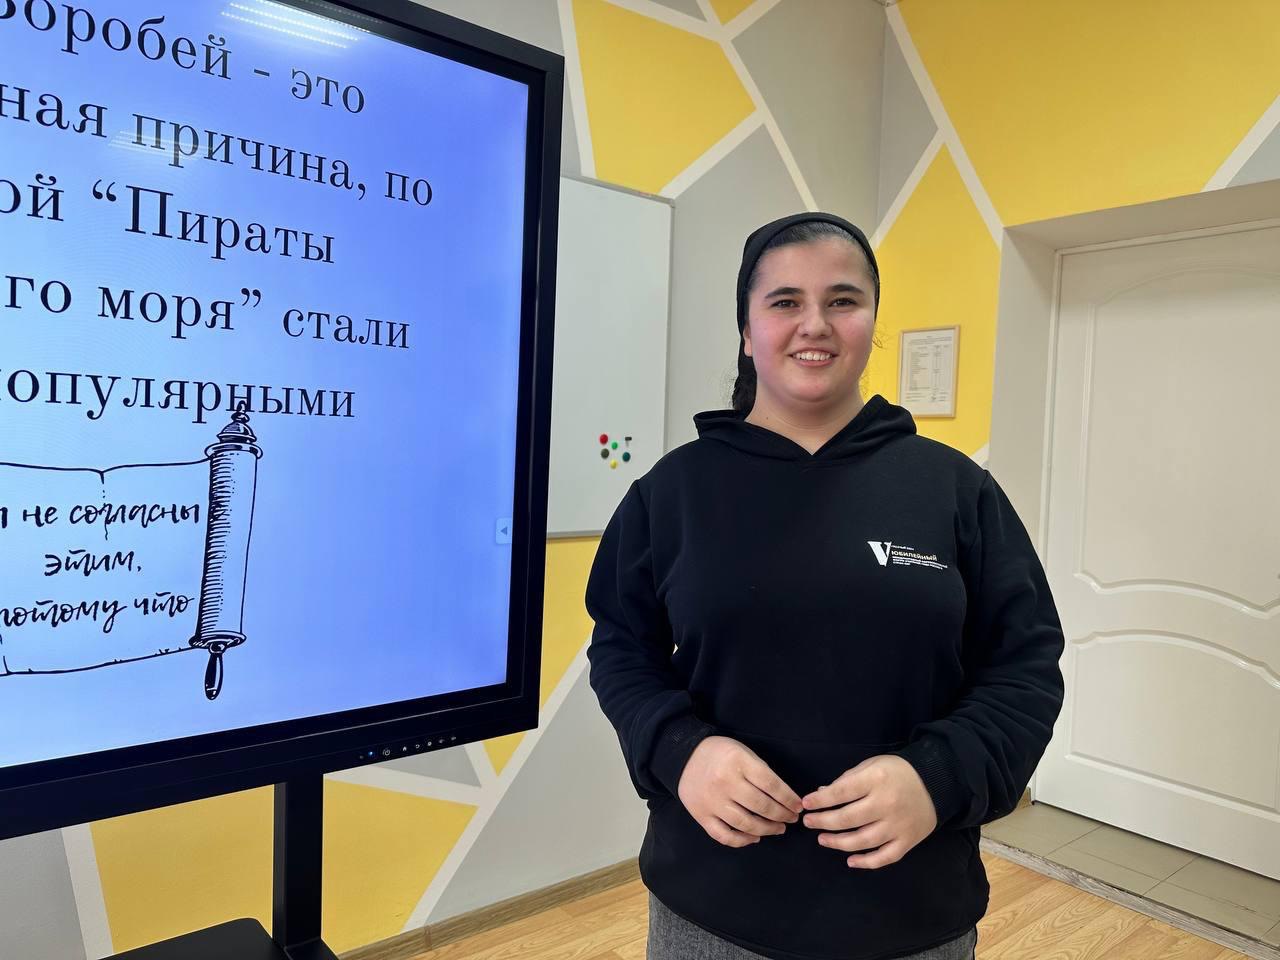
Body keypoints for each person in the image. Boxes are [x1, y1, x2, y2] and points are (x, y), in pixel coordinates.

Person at [584, 212, 1066, 960]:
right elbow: (621, 651)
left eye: (843, 300)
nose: (815, 323)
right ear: (747, 330)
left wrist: (938, 777)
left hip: (910, 912)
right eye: (785, 302)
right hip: (712, 910)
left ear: (872, 322)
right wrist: (681, 751)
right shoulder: (670, 494)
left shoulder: (956, 492)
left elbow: (1025, 669)